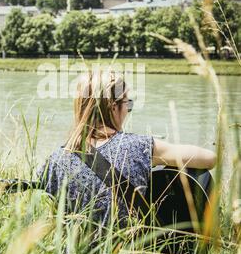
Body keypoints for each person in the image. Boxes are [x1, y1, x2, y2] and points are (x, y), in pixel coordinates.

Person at [37, 71, 216, 228]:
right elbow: (209, 158)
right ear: (114, 107)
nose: (128, 110)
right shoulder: (139, 146)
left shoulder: (56, 159)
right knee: (200, 176)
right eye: (128, 104)